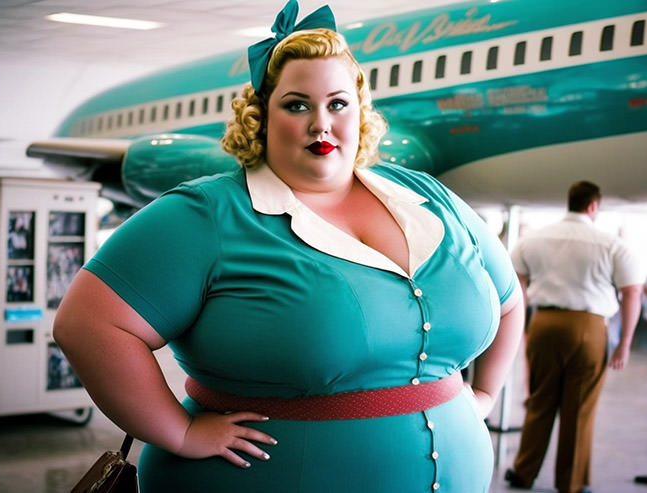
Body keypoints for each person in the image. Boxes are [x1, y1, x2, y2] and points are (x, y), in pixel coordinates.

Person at [52, 1, 525, 492]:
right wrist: (181, 430)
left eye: (338, 104)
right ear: (260, 115)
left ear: (359, 110)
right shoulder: (207, 213)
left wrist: (484, 396)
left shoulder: (429, 197)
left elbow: (509, 301)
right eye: (297, 105)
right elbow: (87, 325)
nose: (321, 123)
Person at [504, 181, 644, 493]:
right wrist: (624, 343)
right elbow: (632, 291)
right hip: (589, 326)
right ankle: (572, 482)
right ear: (594, 206)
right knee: (579, 407)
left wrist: (520, 327)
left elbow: (516, 283)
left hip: (544, 323)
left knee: (539, 400)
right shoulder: (611, 244)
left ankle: (523, 472)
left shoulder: (534, 238)